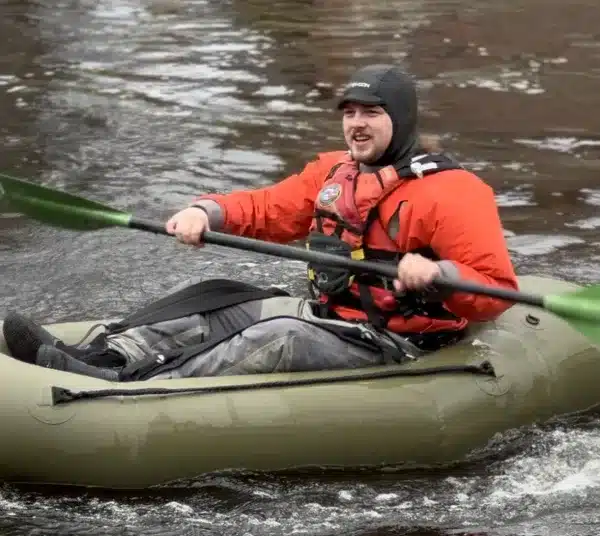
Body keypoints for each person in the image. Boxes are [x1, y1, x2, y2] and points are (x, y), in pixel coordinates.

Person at [3, 64, 518, 382]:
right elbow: (270, 208)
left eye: (372, 113)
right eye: (350, 112)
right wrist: (206, 211)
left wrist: (442, 274)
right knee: (213, 298)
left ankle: (130, 386)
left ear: (400, 120)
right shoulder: (333, 173)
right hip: (335, 316)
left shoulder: (453, 192)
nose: (356, 123)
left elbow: (494, 293)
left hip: (400, 341)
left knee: (280, 334)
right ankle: (98, 356)